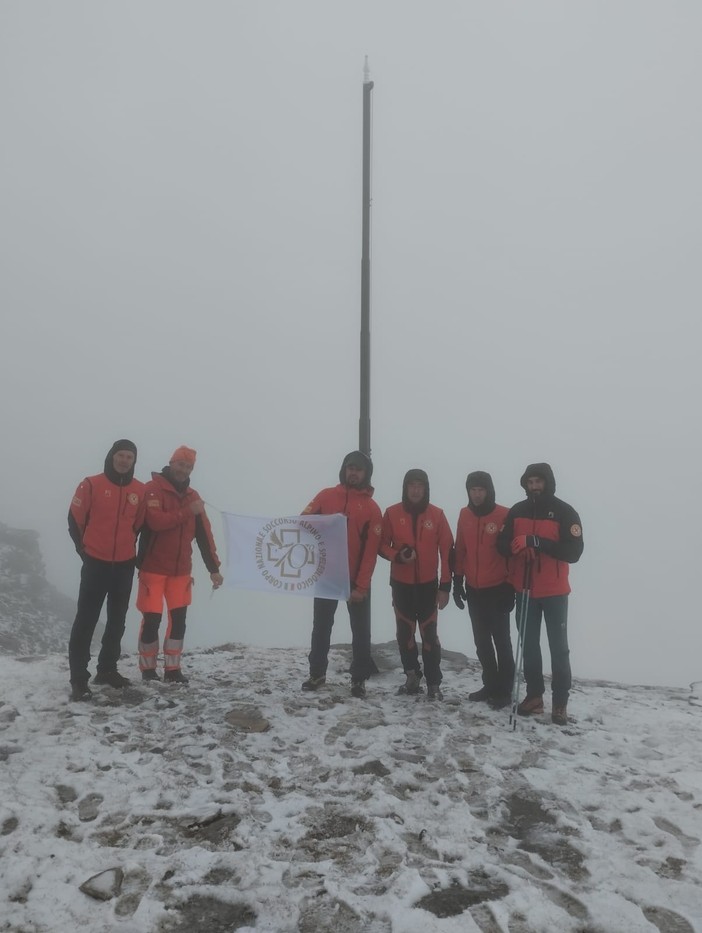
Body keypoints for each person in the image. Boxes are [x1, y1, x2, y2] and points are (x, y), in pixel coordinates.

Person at [497, 463, 583, 725]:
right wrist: (515, 548)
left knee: (559, 648)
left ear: (548, 482)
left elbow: (574, 551)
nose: (534, 486)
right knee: (530, 646)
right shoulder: (517, 511)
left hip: (555, 592)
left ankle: (560, 703)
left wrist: (536, 542)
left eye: (538, 481)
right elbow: (501, 543)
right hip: (524, 589)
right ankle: (534, 696)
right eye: (530, 481)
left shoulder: (565, 512)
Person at [136, 446, 223, 684]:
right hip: (152, 568)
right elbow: (155, 522)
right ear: (171, 463)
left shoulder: (193, 496)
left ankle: (173, 670)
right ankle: (148, 669)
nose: (183, 470)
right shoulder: (152, 489)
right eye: (180, 464)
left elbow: (205, 536)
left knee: (178, 621)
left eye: (188, 466)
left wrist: (213, 569)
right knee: (152, 620)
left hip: (181, 572)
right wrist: (187, 512)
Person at [300, 450, 383, 699]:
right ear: (344, 469)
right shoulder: (326, 496)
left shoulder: (371, 508)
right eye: (350, 467)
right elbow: (302, 522)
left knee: (360, 630)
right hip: (327, 574)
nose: (353, 472)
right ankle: (317, 673)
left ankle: (358, 680)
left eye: (358, 469)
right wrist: (323, 522)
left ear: (366, 473)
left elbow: (370, 552)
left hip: (356, 579)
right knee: (321, 627)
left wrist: (361, 586)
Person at [67, 439, 144, 700]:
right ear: (112, 457)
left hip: (123, 565)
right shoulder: (91, 484)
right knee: (86, 620)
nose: (124, 460)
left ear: (134, 461)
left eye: (129, 457)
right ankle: (79, 679)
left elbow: (139, 525)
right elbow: (74, 519)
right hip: (96, 563)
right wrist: (84, 551)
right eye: (120, 455)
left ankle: (107, 669)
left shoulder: (139, 490)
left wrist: (129, 552)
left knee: (117, 621)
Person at [380, 469, 453, 701]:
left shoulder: (437, 515)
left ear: (426, 488)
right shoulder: (391, 513)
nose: (415, 489)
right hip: (401, 585)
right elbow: (381, 545)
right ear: (405, 487)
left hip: (428, 586)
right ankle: (411, 676)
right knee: (405, 633)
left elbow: (447, 552)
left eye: (420, 485)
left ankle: (434, 684)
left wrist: (445, 587)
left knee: (429, 636)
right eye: (411, 485)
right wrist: (398, 555)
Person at [453, 471, 515, 709]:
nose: (476, 494)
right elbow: (460, 550)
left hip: (498, 588)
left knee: (502, 641)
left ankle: (505, 689)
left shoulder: (504, 515)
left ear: (489, 491)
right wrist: (457, 581)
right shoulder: (464, 514)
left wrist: (510, 586)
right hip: (474, 589)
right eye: (472, 490)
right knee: (481, 642)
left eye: (481, 490)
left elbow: (512, 555)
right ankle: (490, 684)